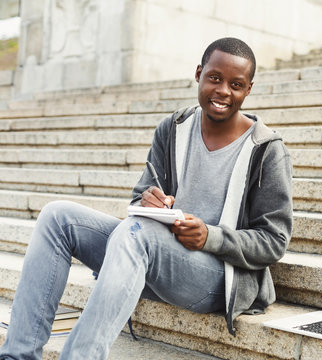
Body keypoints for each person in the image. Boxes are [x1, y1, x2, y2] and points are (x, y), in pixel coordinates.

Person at [0, 37, 293, 359]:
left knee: (137, 233)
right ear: (199, 74)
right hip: (152, 254)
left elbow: (273, 241)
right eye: (215, 78)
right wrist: (147, 201)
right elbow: (143, 195)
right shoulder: (173, 128)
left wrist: (210, 237)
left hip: (216, 278)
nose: (223, 90)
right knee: (58, 216)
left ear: (248, 89)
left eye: (236, 84)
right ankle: (18, 355)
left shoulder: (267, 150)